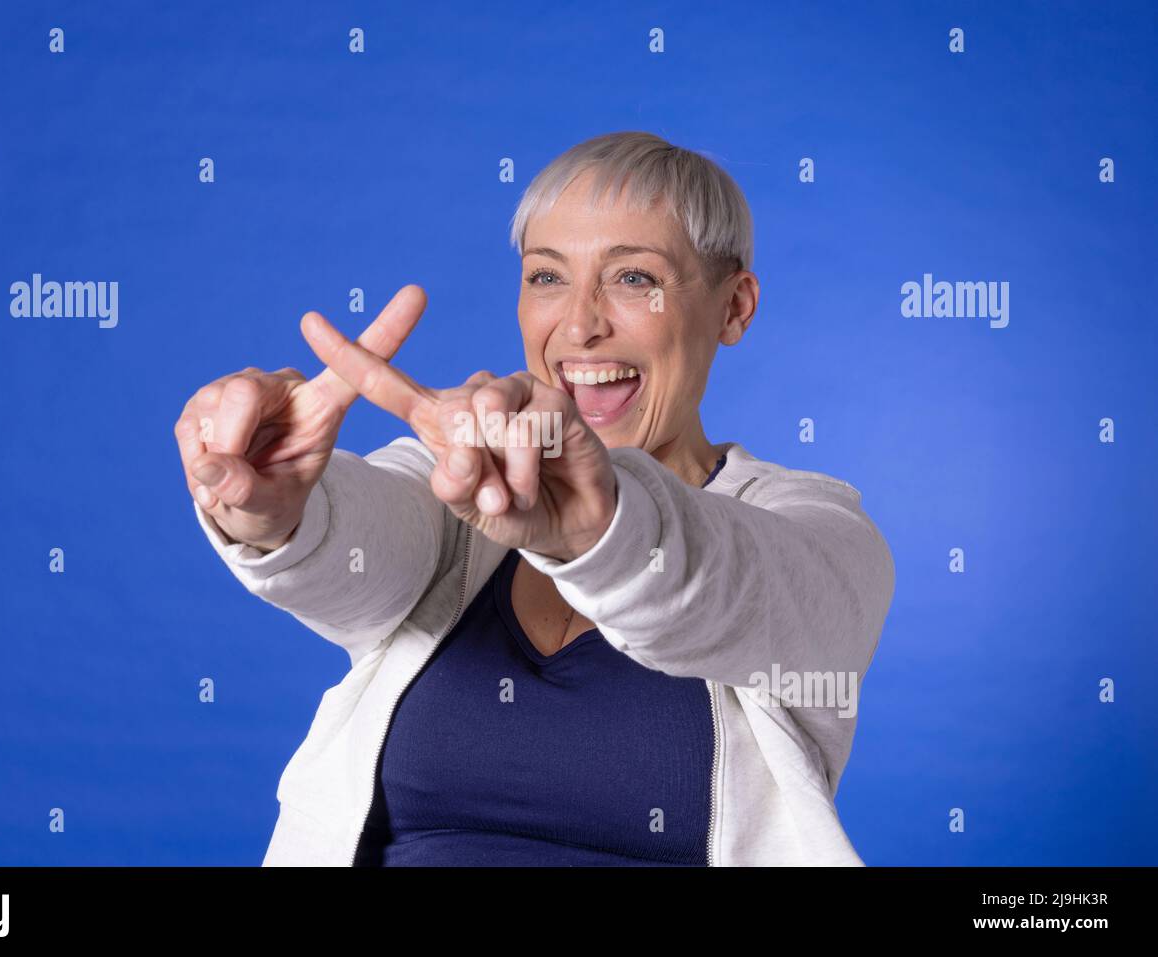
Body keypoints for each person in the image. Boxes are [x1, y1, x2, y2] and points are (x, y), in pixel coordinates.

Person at [174, 131, 895, 866]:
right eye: (548, 278)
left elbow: (722, 581)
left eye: (635, 278)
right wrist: (278, 510)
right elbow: (357, 539)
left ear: (734, 308)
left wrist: (597, 525)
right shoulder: (460, 482)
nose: (579, 324)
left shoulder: (819, 534)